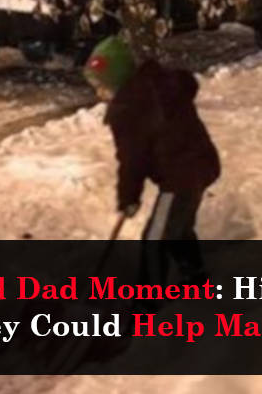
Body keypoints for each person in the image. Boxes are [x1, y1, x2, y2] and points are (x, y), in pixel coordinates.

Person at [83, 36, 221, 279]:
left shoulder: (127, 110)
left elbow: (132, 162)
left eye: (102, 86)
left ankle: (148, 302)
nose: (99, 93)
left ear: (117, 80)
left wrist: (128, 198)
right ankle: (195, 275)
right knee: (176, 225)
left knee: (155, 237)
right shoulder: (157, 84)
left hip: (181, 176)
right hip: (203, 163)